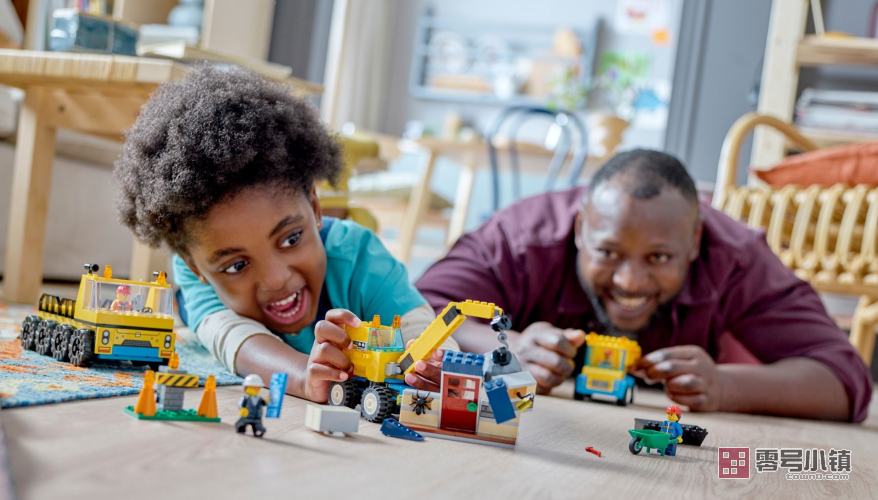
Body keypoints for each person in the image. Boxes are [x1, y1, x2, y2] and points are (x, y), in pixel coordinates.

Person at [416, 149, 872, 422]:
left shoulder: (735, 257)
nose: (629, 281)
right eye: (608, 252)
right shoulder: (522, 238)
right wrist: (506, 348)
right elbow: (416, 311)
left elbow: (844, 379)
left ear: (695, 241)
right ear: (580, 229)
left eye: (659, 258)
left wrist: (725, 386)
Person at [114, 66, 448, 403]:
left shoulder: (358, 254)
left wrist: (430, 363)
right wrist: (304, 376)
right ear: (196, 267)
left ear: (315, 208)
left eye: (291, 239)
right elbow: (236, 339)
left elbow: (420, 325)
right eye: (237, 265)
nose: (275, 279)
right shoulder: (194, 272)